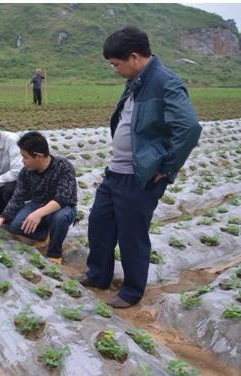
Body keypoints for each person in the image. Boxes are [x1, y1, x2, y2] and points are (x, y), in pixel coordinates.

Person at [79, 26, 202, 308]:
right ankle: (98, 275)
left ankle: (131, 292)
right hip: (116, 172)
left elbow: (190, 128)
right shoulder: (137, 80)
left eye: (115, 64)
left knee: (132, 236)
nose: (114, 69)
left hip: (140, 177)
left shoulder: (165, 81)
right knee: (99, 223)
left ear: (134, 57)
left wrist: (167, 167)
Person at [0, 131, 77, 259]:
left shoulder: (63, 166)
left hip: (62, 207)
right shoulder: (26, 172)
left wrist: (37, 214)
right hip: (37, 204)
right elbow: (18, 198)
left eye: (25, 157)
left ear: (39, 156)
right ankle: (45, 233)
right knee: (14, 226)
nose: (22, 161)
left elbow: (62, 198)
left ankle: (55, 253)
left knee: (60, 219)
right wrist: (2, 218)